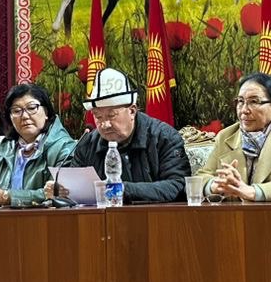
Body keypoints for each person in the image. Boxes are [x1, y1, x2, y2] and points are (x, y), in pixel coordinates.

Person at [53, 68, 191, 204]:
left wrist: (122, 190)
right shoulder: (87, 144)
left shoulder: (164, 137)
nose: (105, 124)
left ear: (132, 111)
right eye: (98, 117)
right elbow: (75, 191)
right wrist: (61, 191)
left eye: (111, 115)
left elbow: (178, 185)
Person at [196, 73, 271, 202]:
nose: (244, 110)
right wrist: (216, 185)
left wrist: (253, 192)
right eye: (240, 101)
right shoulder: (226, 136)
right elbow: (201, 177)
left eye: (253, 102)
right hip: (233, 213)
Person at [0, 84, 76, 208]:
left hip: (45, 218)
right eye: (16, 111)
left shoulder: (65, 147)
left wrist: (7, 197)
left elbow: (59, 193)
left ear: (46, 112)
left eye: (32, 108)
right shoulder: (2, 149)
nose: (25, 116)